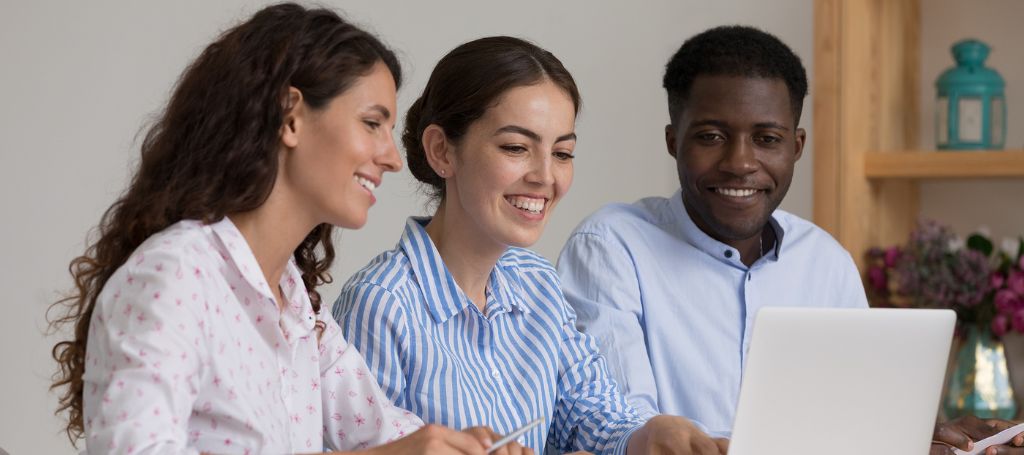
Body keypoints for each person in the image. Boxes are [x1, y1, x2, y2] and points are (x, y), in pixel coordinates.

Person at [48, 4, 507, 453]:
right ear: (290, 116)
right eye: (371, 123)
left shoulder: (302, 311)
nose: (390, 157)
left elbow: (387, 435)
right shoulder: (173, 278)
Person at [555, 25, 1024, 455]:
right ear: (673, 140)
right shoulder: (610, 247)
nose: (740, 162)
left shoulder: (825, 261)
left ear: (796, 147)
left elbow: (857, 424)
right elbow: (622, 431)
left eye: (767, 139)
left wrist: (922, 436)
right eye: (712, 136)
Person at [333, 36, 726, 455]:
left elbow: (589, 411)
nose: (545, 176)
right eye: (516, 148)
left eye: (562, 153)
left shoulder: (536, 281)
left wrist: (646, 435)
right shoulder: (380, 304)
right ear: (441, 150)